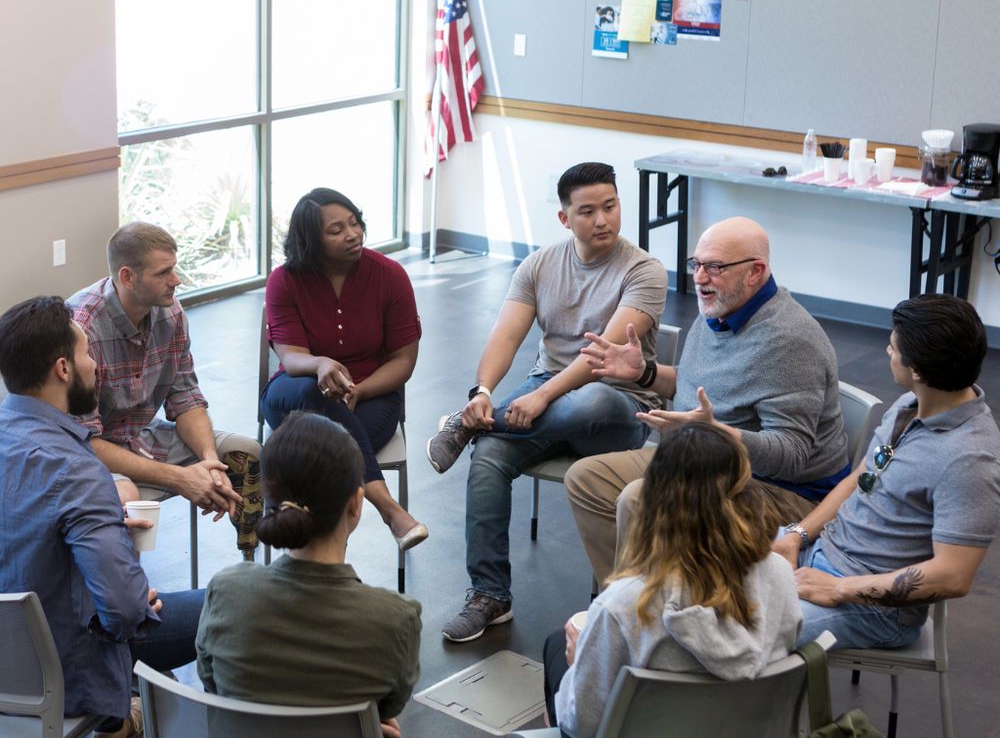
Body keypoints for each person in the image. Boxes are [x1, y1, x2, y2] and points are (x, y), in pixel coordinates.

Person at [426, 162, 668, 642]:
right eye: (587, 211)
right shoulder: (538, 265)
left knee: (590, 401)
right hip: (541, 395)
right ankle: (489, 595)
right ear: (564, 219)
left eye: (611, 207)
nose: (602, 220)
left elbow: (601, 356)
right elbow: (506, 335)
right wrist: (483, 392)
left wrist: (538, 396)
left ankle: (476, 424)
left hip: (616, 404)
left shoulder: (645, 271)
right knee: (489, 457)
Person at [566, 216, 848, 587]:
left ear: (755, 272)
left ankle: (642, 620)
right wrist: (643, 373)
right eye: (696, 265)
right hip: (702, 456)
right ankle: (626, 603)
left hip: (781, 491)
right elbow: (700, 384)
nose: (699, 278)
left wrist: (717, 434)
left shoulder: (788, 341)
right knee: (587, 479)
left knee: (641, 498)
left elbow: (792, 454)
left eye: (714, 267)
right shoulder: (720, 308)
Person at [0, 296, 204, 738]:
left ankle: (122, 717)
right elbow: (124, 613)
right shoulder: (76, 470)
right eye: (88, 354)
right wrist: (135, 595)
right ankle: (133, 712)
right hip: (60, 677)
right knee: (226, 605)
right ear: (63, 369)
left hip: (6, 652)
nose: (97, 366)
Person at [545, 424, 802, 738]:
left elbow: (580, 723)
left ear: (654, 499)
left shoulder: (625, 604)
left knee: (554, 650)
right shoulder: (780, 577)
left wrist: (580, 665)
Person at [772, 294, 1000, 648]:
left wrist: (840, 588)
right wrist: (797, 535)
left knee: (736, 630)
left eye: (894, 347)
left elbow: (953, 576)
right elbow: (858, 480)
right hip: (820, 554)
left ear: (919, 370)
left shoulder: (969, 460)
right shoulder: (913, 403)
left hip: (874, 610)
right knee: (697, 569)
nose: (887, 351)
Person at [196, 411, 421, 738]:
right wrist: (354, 728)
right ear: (356, 503)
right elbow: (387, 705)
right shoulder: (396, 619)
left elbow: (213, 682)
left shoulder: (226, 590)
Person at [68, 222, 262, 558]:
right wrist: (178, 478)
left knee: (246, 454)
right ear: (128, 277)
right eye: (164, 272)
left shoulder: (170, 313)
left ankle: (249, 571)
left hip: (141, 436)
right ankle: (131, 602)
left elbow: (185, 398)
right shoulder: (83, 329)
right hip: (92, 456)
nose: (177, 280)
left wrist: (210, 462)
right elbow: (85, 440)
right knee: (124, 503)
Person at [261, 187, 427, 550]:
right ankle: (388, 508)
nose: (352, 234)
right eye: (336, 230)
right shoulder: (284, 280)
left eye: (354, 223)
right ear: (310, 240)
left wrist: (358, 391)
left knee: (320, 450)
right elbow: (290, 358)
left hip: (371, 395)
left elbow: (403, 361)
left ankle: (304, 548)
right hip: (296, 391)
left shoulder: (389, 275)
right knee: (314, 395)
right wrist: (320, 364)